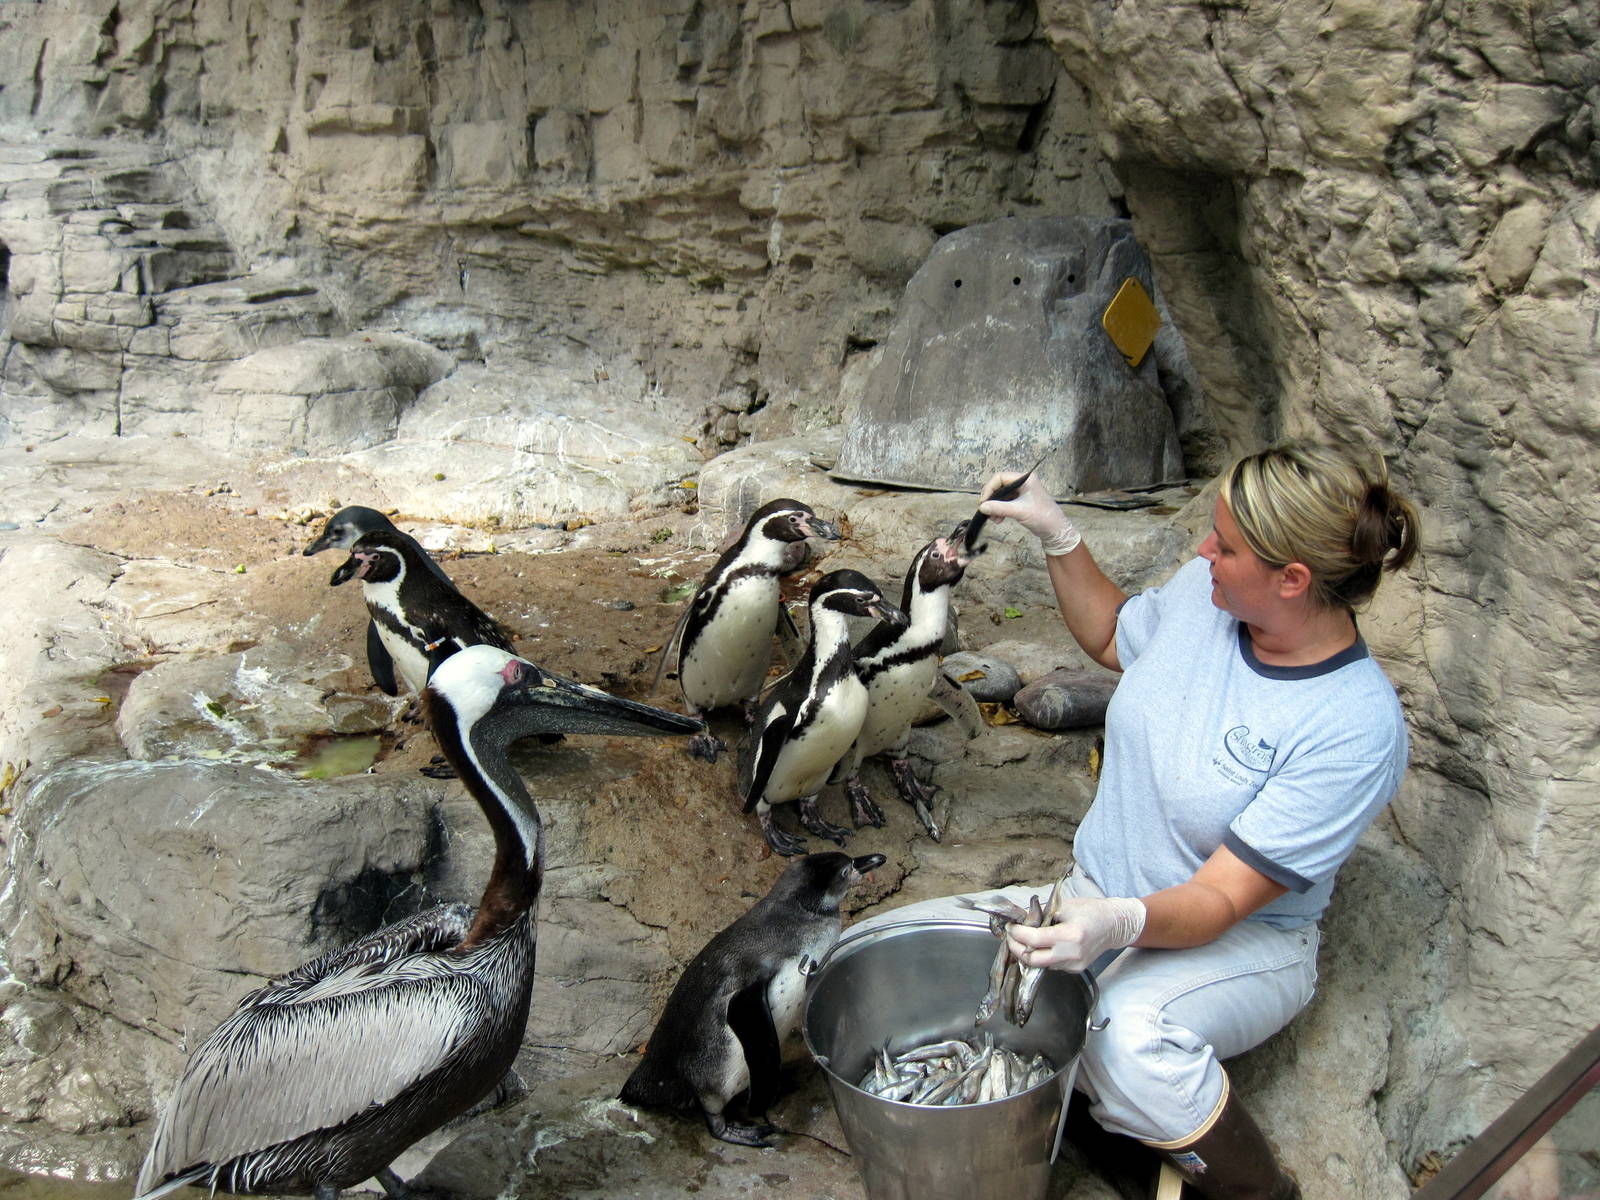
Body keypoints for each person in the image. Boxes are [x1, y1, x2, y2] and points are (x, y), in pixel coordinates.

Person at [869, 443, 1420, 1200]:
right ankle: (1108, 1133)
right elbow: (1110, 636)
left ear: (1293, 580)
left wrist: (1112, 925)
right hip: (1096, 893)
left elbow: (1221, 902)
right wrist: (1056, 533)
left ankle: (1257, 1193)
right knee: (889, 954)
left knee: (1122, 1035)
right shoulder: (1210, 593)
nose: (1203, 551)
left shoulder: (1353, 725)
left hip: (1235, 943)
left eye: (1224, 546)